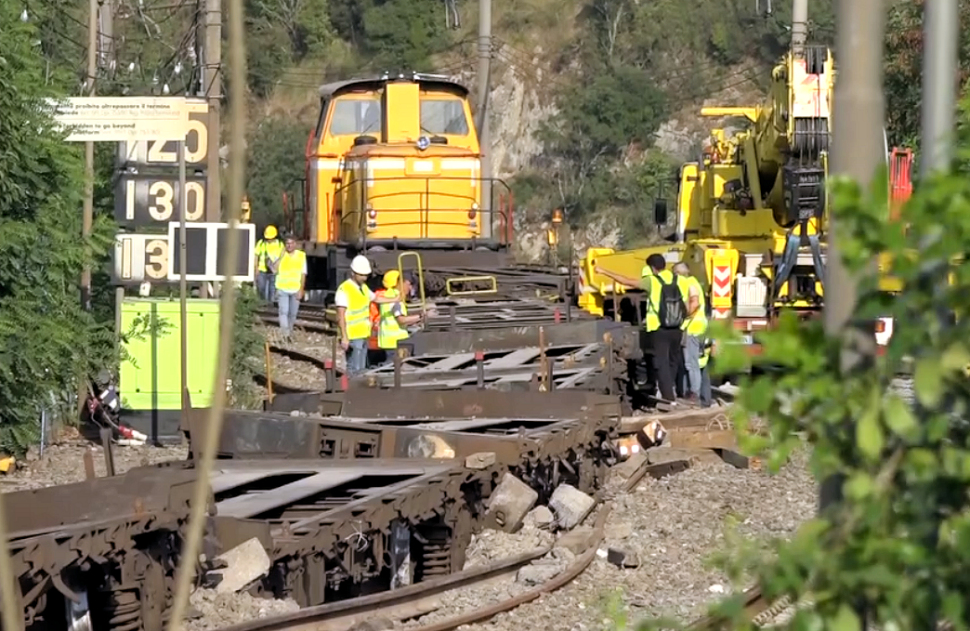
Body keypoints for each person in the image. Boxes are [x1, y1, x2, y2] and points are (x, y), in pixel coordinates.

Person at [335, 255, 400, 376]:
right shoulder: (344, 290)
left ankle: (357, 390)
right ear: (353, 273)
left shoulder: (363, 288)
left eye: (366, 275)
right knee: (354, 368)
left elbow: (376, 298)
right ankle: (352, 390)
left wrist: (394, 299)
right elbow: (340, 316)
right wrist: (344, 337)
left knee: (361, 368)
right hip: (353, 336)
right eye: (362, 275)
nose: (364, 278)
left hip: (363, 334)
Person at [640, 253, 690, 403]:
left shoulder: (652, 281)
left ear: (652, 268)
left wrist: (604, 272)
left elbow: (629, 282)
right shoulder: (681, 280)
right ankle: (670, 388)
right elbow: (687, 305)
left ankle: (668, 397)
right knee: (673, 361)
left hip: (659, 328)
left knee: (661, 364)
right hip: (677, 327)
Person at [673, 261, 708, 404]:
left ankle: (694, 393)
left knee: (691, 363)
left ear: (680, 274)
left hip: (693, 328)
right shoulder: (693, 282)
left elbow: (694, 303)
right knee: (692, 362)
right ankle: (692, 391)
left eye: (675, 274)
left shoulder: (690, 284)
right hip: (697, 327)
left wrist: (684, 319)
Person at [377, 270, 423, 365]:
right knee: (394, 370)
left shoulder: (389, 295)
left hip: (390, 342)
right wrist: (421, 316)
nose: (410, 288)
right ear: (403, 283)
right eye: (409, 285)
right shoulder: (395, 298)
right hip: (394, 343)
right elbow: (401, 320)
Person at [274, 234, 306, 339]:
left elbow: (303, 274)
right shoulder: (280, 255)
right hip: (282, 288)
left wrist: (301, 289)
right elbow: (274, 269)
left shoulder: (301, 256)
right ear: (285, 245)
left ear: (295, 244)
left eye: (291, 243)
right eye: (287, 243)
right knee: (283, 312)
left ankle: (289, 331)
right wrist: (280, 257)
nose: (289, 246)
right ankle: (285, 335)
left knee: (292, 314)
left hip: (295, 289)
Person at [254, 225, 283, 303]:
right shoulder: (261, 243)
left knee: (272, 288)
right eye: (268, 238)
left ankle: (270, 304)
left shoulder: (279, 244)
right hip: (262, 269)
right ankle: (261, 302)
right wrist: (256, 268)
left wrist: (278, 267)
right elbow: (256, 255)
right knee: (261, 287)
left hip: (273, 271)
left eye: (270, 238)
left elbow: (282, 256)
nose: (269, 240)